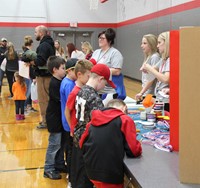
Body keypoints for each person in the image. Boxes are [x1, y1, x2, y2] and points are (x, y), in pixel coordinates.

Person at [71, 63, 116, 188]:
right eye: (105, 84)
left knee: (78, 177)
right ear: (100, 79)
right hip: (87, 144)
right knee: (85, 181)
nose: (104, 87)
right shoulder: (94, 98)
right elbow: (101, 126)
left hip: (77, 138)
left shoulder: (81, 91)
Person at [79, 99, 142, 188]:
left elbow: (81, 143)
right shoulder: (124, 119)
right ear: (124, 108)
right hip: (110, 172)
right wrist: (139, 145)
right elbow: (133, 151)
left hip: (91, 170)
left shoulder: (92, 121)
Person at [65, 59, 93, 187]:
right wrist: (72, 128)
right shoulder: (75, 92)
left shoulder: (85, 90)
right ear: (80, 75)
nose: (90, 78)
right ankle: (72, 180)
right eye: (89, 76)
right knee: (75, 159)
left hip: (81, 131)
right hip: (76, 132)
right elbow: (67, 111)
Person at [27, 25, 55, 129]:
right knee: (48, 99)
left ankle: (45, 121)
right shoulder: (49, 43)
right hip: (48, 75)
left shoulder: (43, 45)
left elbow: (40, 61)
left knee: (43, 100)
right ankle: (48, 120)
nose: (35, 34)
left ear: (41, 33)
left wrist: (30, 61)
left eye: (36, 32)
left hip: (43, 76)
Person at [43, 56, 66, 180]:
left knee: (61, 143)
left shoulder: (60, 81)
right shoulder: (54, 83)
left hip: (59, 117)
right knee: (54, 144)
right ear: (55, 70)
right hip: (54, 118)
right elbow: (60, 99)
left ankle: (59, 164)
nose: (65, 70)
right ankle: (48, 168)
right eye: (63, 68)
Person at [91, 28, 126, 103]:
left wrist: (101, 70)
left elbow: (117, 71)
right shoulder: (96, 52)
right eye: (99, 38)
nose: (100, 40)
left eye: (103, 38)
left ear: (109, 41)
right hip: (97, 86)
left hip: (109, 89)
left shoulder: (115, 53)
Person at [141, 31, 170, 111]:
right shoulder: (163, 59)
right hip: (160, 97)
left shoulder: (169, 60)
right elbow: (153, 69)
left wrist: (149, 68)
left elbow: (165, 79)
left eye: (160, 42)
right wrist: (147, 69)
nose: (157, 46)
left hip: (165, 98)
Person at [60, 58, 78, 180]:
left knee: (69, 149)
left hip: (67, 122)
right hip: (69, 123)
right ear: (70, 71)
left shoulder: (67, 82)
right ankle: (71, 175)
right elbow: (71, 106)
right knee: (71, 150)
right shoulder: (69, 85)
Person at [135, 34, 161, 101]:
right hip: (146, 92)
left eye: (144, 43)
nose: (141, 46)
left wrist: (141, 92)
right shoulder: (148, 56)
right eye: (142, 43)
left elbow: (151, 78)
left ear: (151, 44)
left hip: (151, 94)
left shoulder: (155, 57)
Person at [21, 35, 38, 114]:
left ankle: (28, 106)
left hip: (26, 74)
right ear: (31, 43)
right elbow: (28, 64)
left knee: (29, 91)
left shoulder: (26, 51)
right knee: (28, 92)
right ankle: (24, 107)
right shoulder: (29, 53)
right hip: (28, 75)